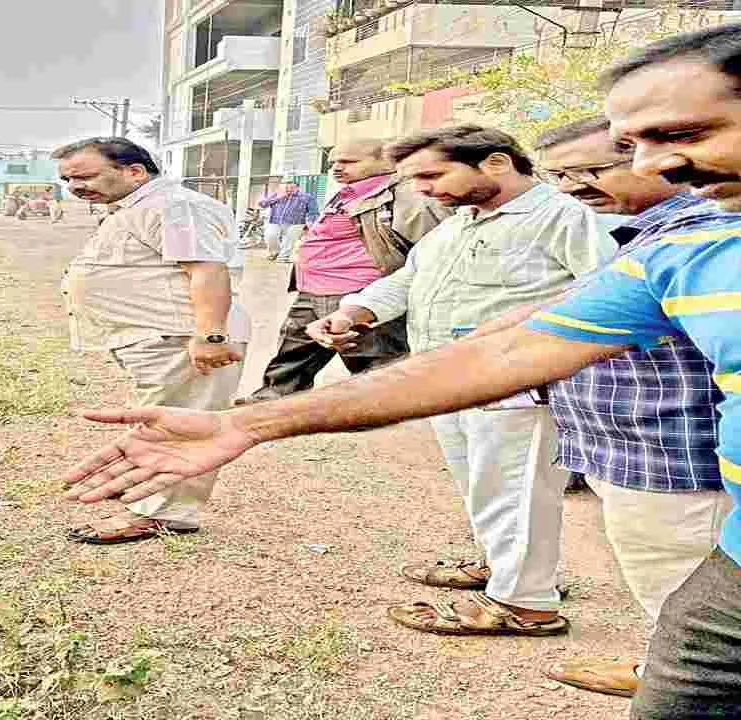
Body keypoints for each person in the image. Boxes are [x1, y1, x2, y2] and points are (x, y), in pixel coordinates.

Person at [61, 26, 741, 718]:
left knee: (558, 516)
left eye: (680, 134)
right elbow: (507, 343)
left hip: (658, 446)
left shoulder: (623, 227)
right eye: (634, 144)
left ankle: (527, 599)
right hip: (667, 505)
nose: (655, 165)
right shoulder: (684, 247)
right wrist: (252, 416)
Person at [310, 125, 614, 637]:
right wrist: (354, 312)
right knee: (483, 485)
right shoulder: (460, 222)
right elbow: (408, 279)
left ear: (495, 163)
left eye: (432, 175)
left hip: (518, 383)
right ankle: (502, 568)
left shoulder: (564, 216)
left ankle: (526, 603)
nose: (423, 189)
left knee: (517, 491)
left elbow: (606, 288)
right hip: (450, 379)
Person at [505, 116, 727, 698]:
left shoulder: (697, 234)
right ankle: (663, 667)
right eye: (559, 175)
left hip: (675, 462)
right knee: (670, 595)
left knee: (689, 602)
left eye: (591, 169)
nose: (572, 186)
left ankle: (681, 680)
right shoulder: (647, 232)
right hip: (641, 454)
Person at [55, 136, 249, 545]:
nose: (75, 186)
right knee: (161, 421)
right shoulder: (137, 208)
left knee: (180, 426)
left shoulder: (174, 206)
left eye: (85, 176)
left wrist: (210, 336)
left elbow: (207, 271)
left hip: (183, 339)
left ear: (135, 171)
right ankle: (156, 498)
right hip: (158, 339)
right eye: (67, 180)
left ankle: (166, 514)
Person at [237, 138, 449, 405]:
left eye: (349, 161)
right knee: (294, 353)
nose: (337, 168)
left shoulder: (407, 195)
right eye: (334, 162)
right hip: (313, 287)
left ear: (386, 162)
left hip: (360, 289)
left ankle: (389, 411)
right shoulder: (349, 192)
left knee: (374, 361)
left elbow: (431, 250)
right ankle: (270, 403)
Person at [258, 178, 316, 262]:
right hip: (275, 221)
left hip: (297, 222)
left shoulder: (307, 197)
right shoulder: (276, 195)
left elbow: (313, 212)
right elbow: (262, 204)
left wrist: (310, 224)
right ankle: (275, 252)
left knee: (290, 239)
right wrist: (278, 198)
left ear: (297, 187)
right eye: (285, 186)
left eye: (290, 186)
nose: (287, 189)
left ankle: (284, 256)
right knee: (270, 235)